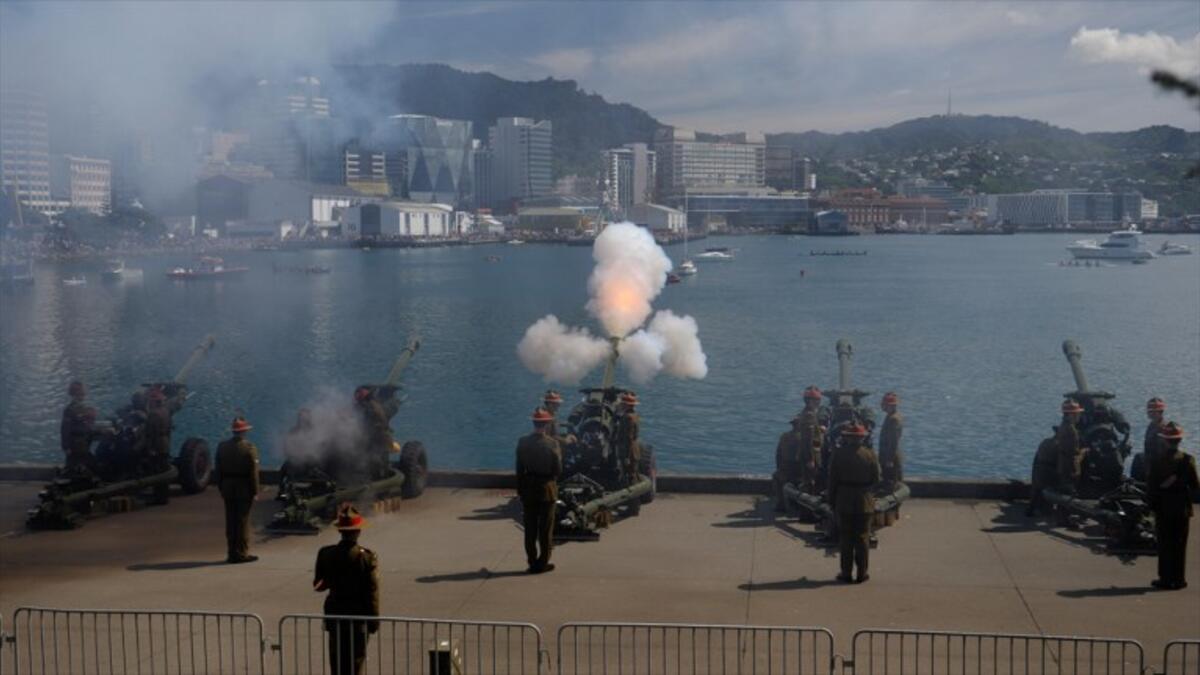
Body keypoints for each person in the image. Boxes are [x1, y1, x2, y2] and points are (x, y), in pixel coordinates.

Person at [314, 503, 380, 675]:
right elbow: (372, 592)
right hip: (358, 617)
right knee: (355, 663)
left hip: (335, 614)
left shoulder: (326, 553)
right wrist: (374, 621)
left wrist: (334, 578)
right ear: (358, 531)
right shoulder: (366, 557)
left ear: (340, 531)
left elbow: (318, 586)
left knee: (337, 663)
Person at [1147, 422, 1199, 590]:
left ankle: (1165, 578)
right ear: (1180, 439)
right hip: (1182, 508)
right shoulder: (1187, 460)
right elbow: (1195, 486)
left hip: (1163, 507)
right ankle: (1179, 579)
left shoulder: (1157, 461)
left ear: (1164, 441)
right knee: (1180, 544)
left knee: (1165, 544)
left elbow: (1152, 486)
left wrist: (1152, 506)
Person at [827, 422, 880, 583]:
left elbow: (832, 480)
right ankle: (862, 573)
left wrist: (832, 500)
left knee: (846, 538)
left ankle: (846, 573)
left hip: (844, 500)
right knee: (863, 538)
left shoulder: (838, 454)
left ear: (847, 438)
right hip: (865, 500)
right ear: (862, 438)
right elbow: (876, 478)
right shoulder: (871, 454)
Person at [515, 408, 563, 573]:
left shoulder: (523, 442)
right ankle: (543, 562)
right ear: (547, 424)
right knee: (545, 529)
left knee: (530, 528)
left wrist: (521, 490)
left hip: (528, 489)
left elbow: (519, 470)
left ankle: (532, 562)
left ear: (533, 423)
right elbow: (557, 469)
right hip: (546, 489)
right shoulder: (552, 443)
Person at [214, 416, 260, 564]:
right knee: (242, 522)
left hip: (227, 487)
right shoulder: (249, 448)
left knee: (231, 521)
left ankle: (231, 552)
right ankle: (242, 553)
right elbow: (253, 473)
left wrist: (221, 487)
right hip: (243, 488)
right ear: (244, 432)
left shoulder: (222, 447)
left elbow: (218, 470)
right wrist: (255, 491)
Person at [1055, 399, 1085, 525]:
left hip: (1062, 465)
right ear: (1071, 415)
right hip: (1070, 467)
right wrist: (1084, 452)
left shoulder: (1063, 426)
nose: (1079, 416)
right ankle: (1068, 519)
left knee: (1064, 492)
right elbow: (1073, 452)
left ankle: (1062, 518)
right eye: (1078, 413)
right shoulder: (1071, 430)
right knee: (1070, 493)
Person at [354, 386, 395, 480]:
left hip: (379, 436)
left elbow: (380, 423)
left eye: (359, 395)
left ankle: (382, 479)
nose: (357, 397)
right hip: (372, 435)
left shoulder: (372, 407)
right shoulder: (364, 405)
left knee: (378, 459)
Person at [60, 381, 98, 471]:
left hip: (82, 442)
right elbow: (65, 429)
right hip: (76, 444)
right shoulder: (71, 409)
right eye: (81, 392)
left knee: (75, 465)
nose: (83, 395)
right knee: (76, 465)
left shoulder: (82, 408)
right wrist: (66, 446)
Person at [1026, 431, 1060, 517]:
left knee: (1037, 489)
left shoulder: (1045, 441)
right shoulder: (1058, 445)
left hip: (1039, 468)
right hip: (1049, 470)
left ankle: (1031, 509)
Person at [1133, 397, 1167, 482]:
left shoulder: (1163, 429)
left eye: (1153, 411)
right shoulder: (1151, 426)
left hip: (1158, 465)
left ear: (1160, 412)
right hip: (1150, 460)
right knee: (1138, 458)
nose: (1150, 413)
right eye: (1149, 411)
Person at [878, 392, 904, 488]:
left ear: (889, 405)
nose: (882, 406)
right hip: (888, 455)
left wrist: (889, 459)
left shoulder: (894, 419)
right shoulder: (892, 416)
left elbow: (893, 441)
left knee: (891, 483)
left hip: (889, 456)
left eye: (884, 404)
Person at [615, 392, 642, 482]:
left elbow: (628, 438)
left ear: (626, 405)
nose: (621, 405)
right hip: (634, 450)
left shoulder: (628, 418)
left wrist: (627, 456)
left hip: (628, 452)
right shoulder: (635, 416)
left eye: (623, 404)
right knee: (633, 473)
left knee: (629, 476)